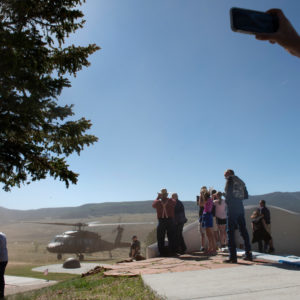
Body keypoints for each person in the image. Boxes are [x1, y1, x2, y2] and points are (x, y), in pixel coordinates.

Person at [223, 169, 252, 263]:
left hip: (232, 207)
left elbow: (228, 195)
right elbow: (246, 196)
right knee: (243, 230)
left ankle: (233, 257)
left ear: (229, 174)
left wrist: (223, 196)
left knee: (230, 231)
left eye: (225, 175)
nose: (224, 177)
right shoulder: (240, 181)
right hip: (240, 206)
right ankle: (249, 254)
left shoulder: (230, 180)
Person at [152, 188, 176, 256]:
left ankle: (162, 252)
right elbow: (174, 202)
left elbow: (153, 205)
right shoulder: (171, 201)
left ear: (161, 195)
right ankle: (172, 251)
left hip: (161, 221)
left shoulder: (158, 202)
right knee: (171, 236)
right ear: (167, 194)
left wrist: (158, 197)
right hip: (170, 220)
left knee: (160, 237)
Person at [197, 186, 207, 252]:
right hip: (204, 215)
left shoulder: (205, 198)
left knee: (203, 232)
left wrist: (201, 197)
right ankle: (203, 246)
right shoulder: (207, 197)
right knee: (203, 232)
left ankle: (203, 246)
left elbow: (201, 205)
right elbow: (200, 204)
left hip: (203, 215)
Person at [0, 232, 8, 299]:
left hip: (1, 259)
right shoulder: (3, 235)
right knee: (1, 276)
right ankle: (1, 294)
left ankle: (1, 294)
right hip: (4, 259)